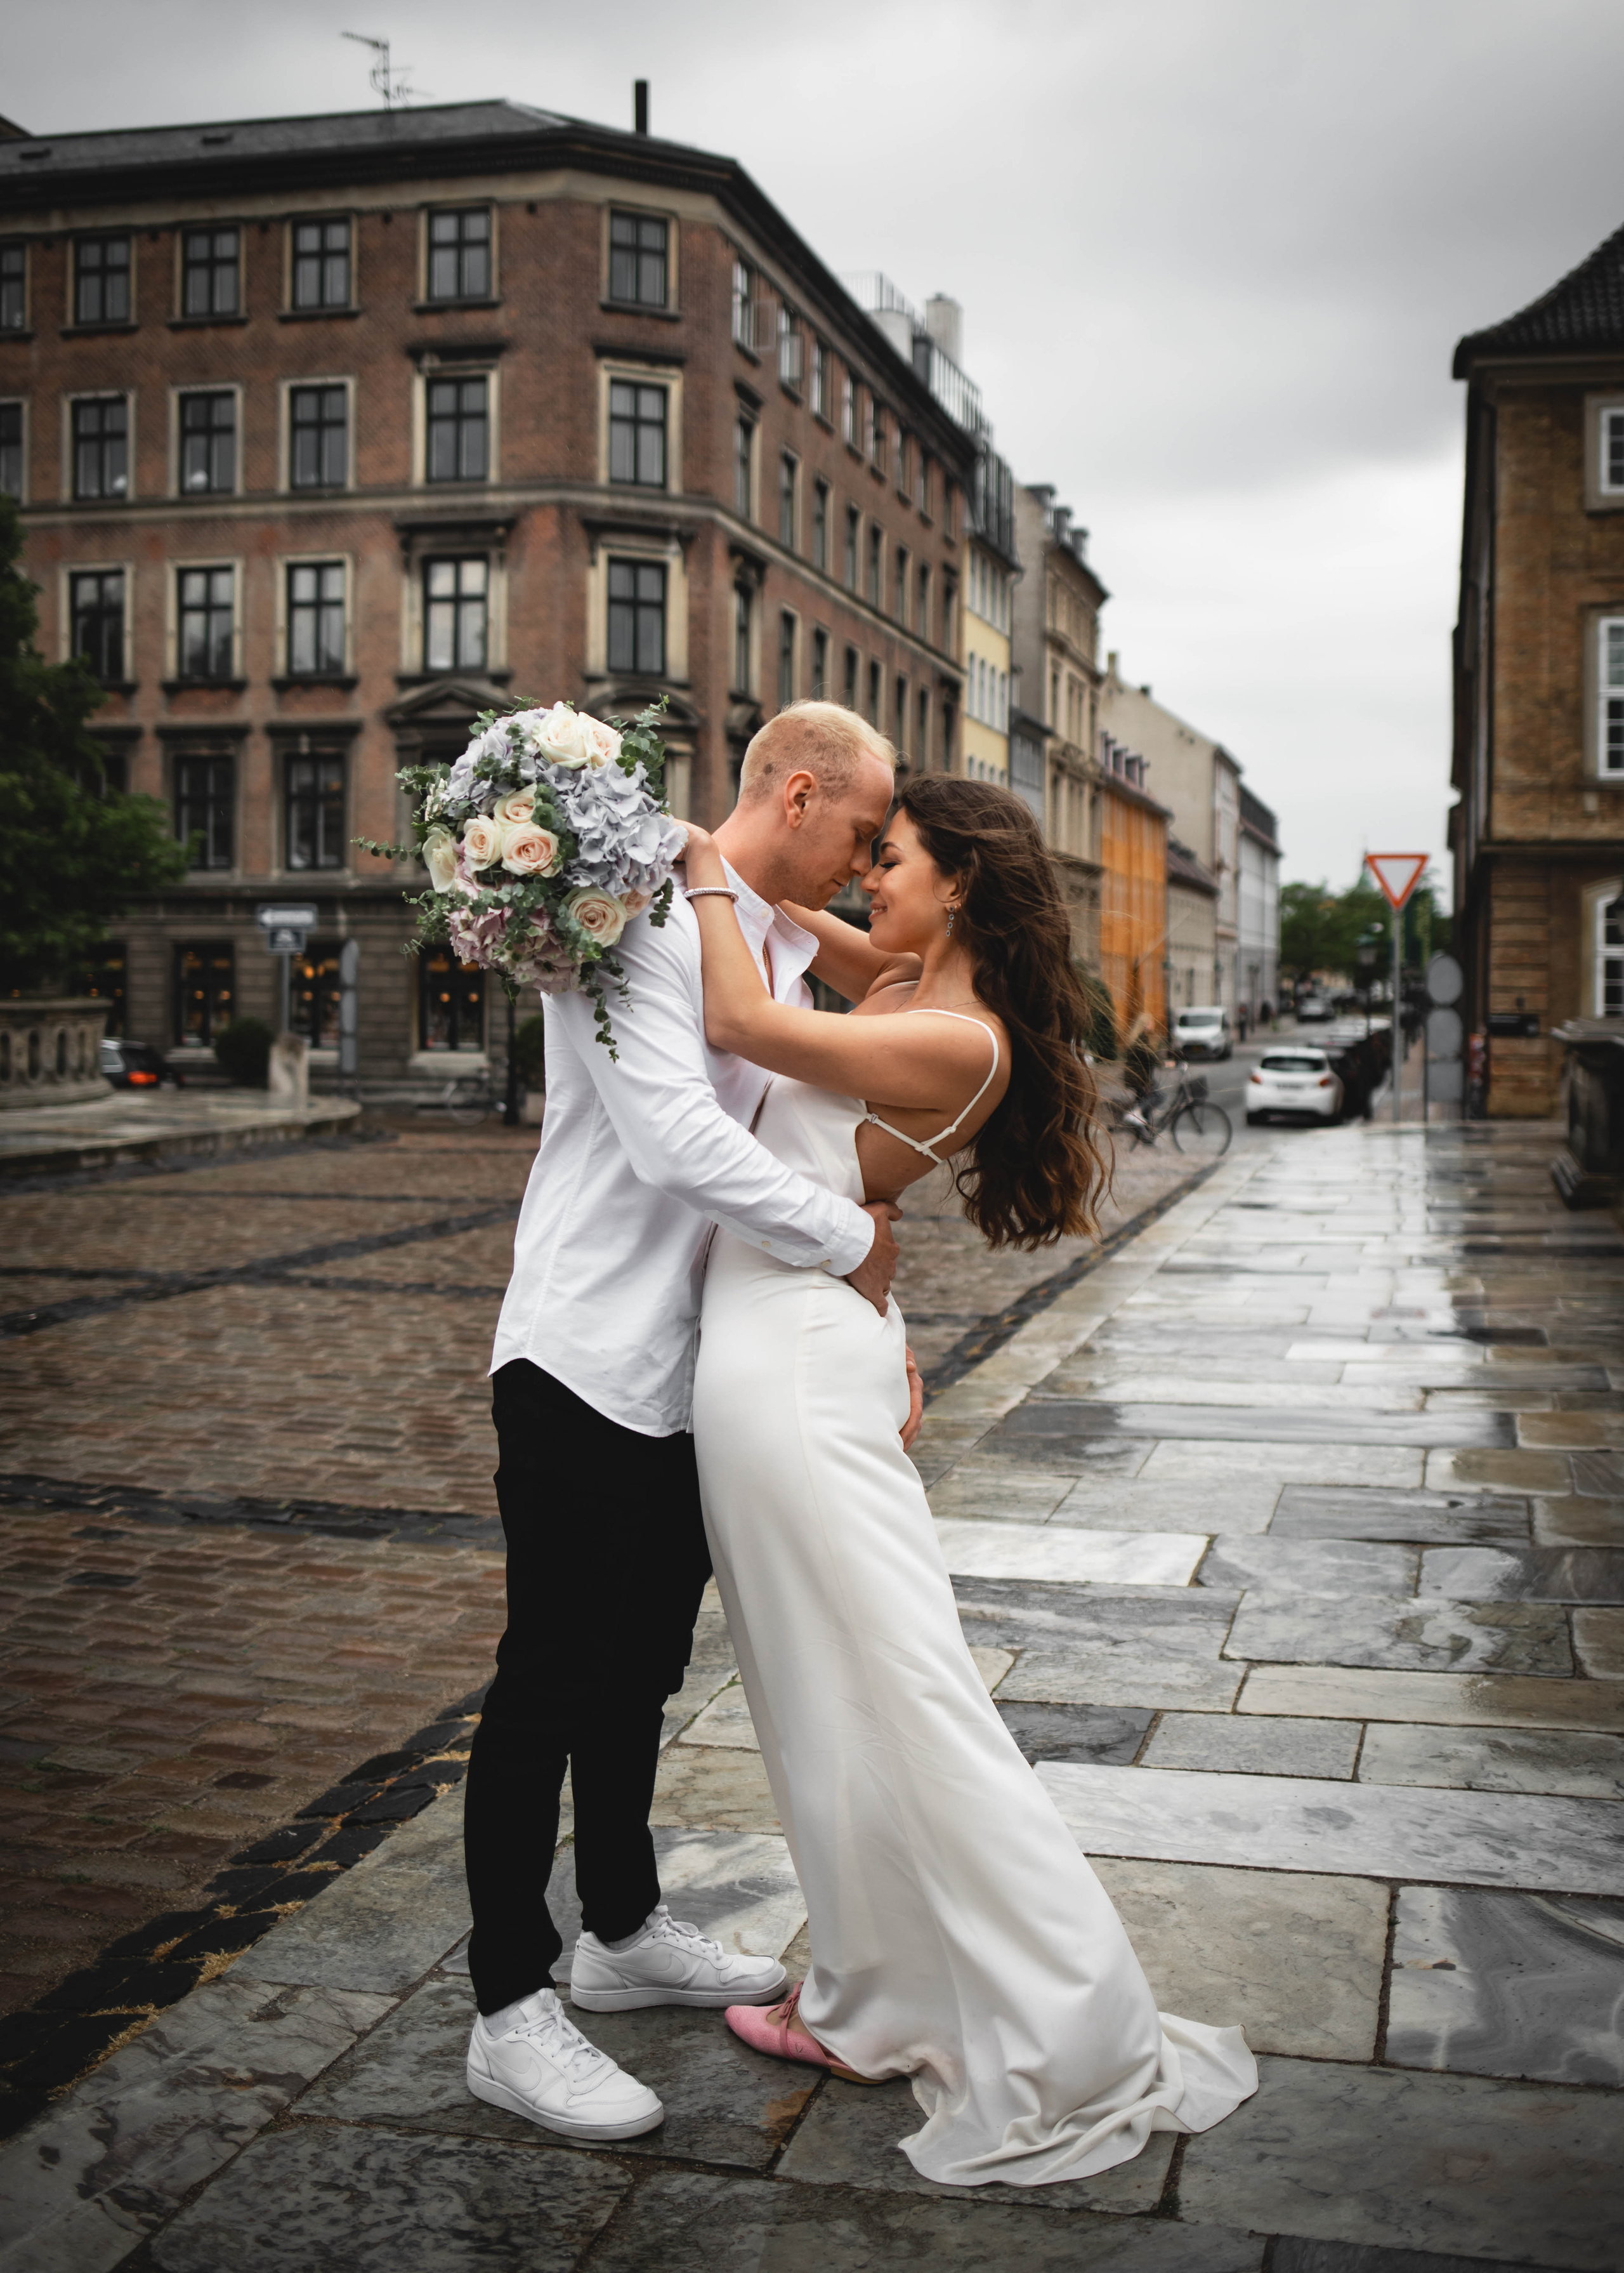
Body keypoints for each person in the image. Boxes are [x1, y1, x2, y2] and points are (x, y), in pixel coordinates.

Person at [681, 773, 1257, 2188]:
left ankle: (1071, 2027)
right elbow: (791, 919)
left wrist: (692, 861)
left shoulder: (956, 1037)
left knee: (902, 1699)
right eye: (873, 851)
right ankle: (864, 2000)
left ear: (959, 885)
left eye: (896, 858)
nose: (872, 875)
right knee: (816, 1701)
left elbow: (736, 1019)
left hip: (800, 1373)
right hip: (788, 1345)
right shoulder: (894, 975)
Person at [462, 702, 912, 2143]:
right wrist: (847, 1241)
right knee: (545, 1679)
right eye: (858, 834)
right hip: (582, 1351)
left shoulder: (752, 924)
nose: (864, 864)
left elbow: (901, 968)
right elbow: (674, 1134)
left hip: (688, 1367)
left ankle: (618, 1929)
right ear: (796, 793)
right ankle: (507, 2009)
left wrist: (764, 880)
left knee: (639, 1672)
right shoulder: (629, 913)